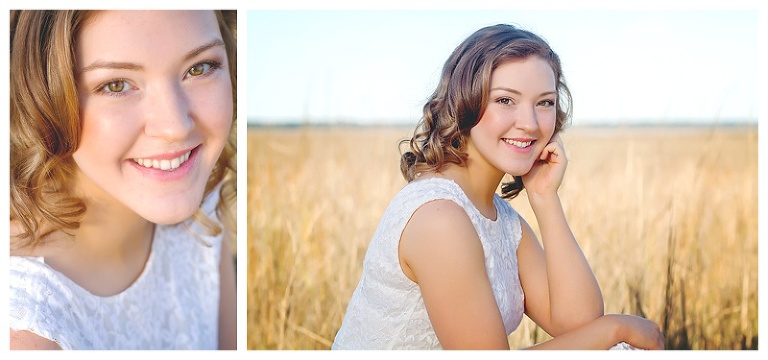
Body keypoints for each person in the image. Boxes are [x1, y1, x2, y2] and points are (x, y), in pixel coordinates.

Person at [332, 24, 664, 350]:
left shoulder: (499, 218)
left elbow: (578, 323)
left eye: (545, 102)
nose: (530, 123)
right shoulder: (439, 219)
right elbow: (595, 333)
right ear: (465, 101)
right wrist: (616, 329)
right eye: (506, 100)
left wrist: (545, 197)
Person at [9, 10, 237, 350]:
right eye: (116, 85)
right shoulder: (25, 327)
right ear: (45, 99)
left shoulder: (201, 209)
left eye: (200, 67)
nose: (175, 126)